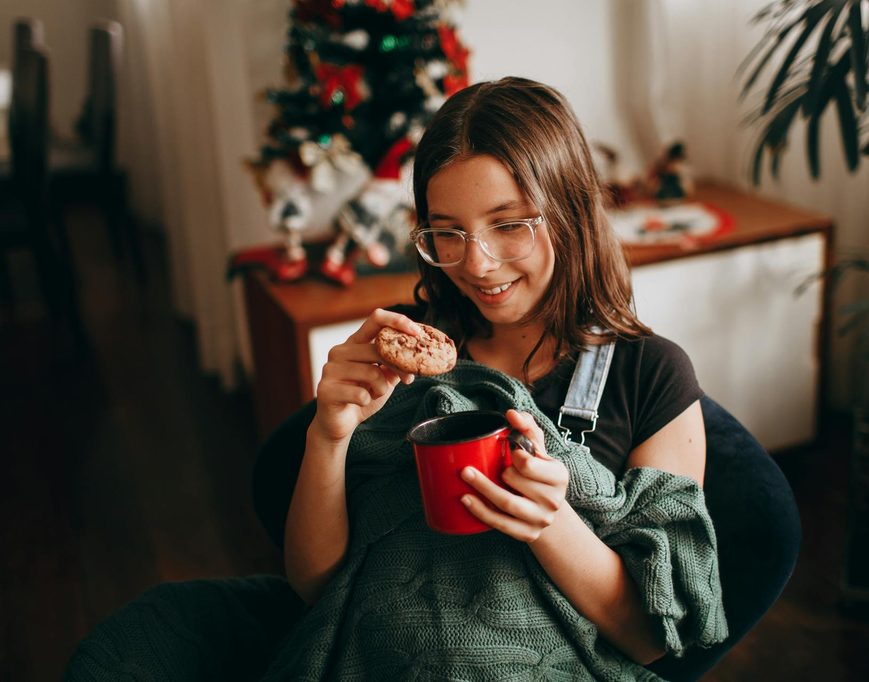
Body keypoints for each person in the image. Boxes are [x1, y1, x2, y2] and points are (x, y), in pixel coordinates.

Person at [258, 77, 726, 680]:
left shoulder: (650, 375)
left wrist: (551, 523)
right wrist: (328, 434)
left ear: (569, 211)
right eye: (447, 232)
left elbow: (649, 637)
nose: (476, 264)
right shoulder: (400, 355)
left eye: (508, 225)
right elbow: (317, 584)